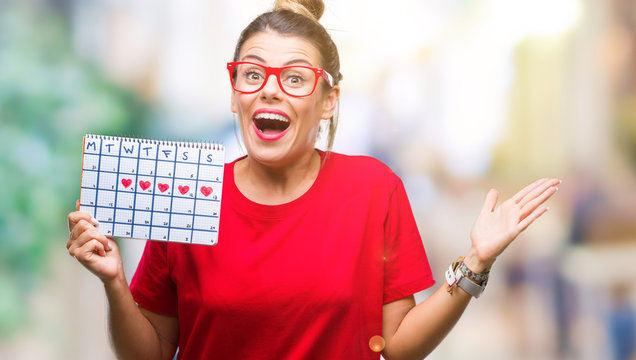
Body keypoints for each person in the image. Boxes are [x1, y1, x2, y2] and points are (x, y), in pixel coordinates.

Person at [66, 0, 561, 359]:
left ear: (328, 100)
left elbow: (400, 346)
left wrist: (476, 262)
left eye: (296, 78)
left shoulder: (373, 189)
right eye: (252, 74)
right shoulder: (189, 193)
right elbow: (149, 354)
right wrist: (114, 284)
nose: (270, 92)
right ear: (234, 90)